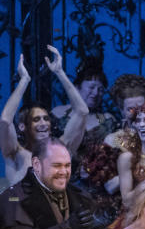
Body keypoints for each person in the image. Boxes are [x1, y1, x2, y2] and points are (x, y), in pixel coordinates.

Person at [1, 48, 89, 187]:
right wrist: (24, 80)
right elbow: (5, 120)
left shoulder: (62, 147)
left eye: (46, 119)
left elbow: (82, 111)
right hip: (21, 207)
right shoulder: (15, 153)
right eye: (36, 120)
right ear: (23, 126)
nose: (43, 123)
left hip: (55, 208)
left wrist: (60, 72)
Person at [51, 62, 118, 165]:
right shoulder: (59, 113)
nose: (95, 93)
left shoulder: (105, 119)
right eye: (91, 88)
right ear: (77, 88)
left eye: (100, 90)